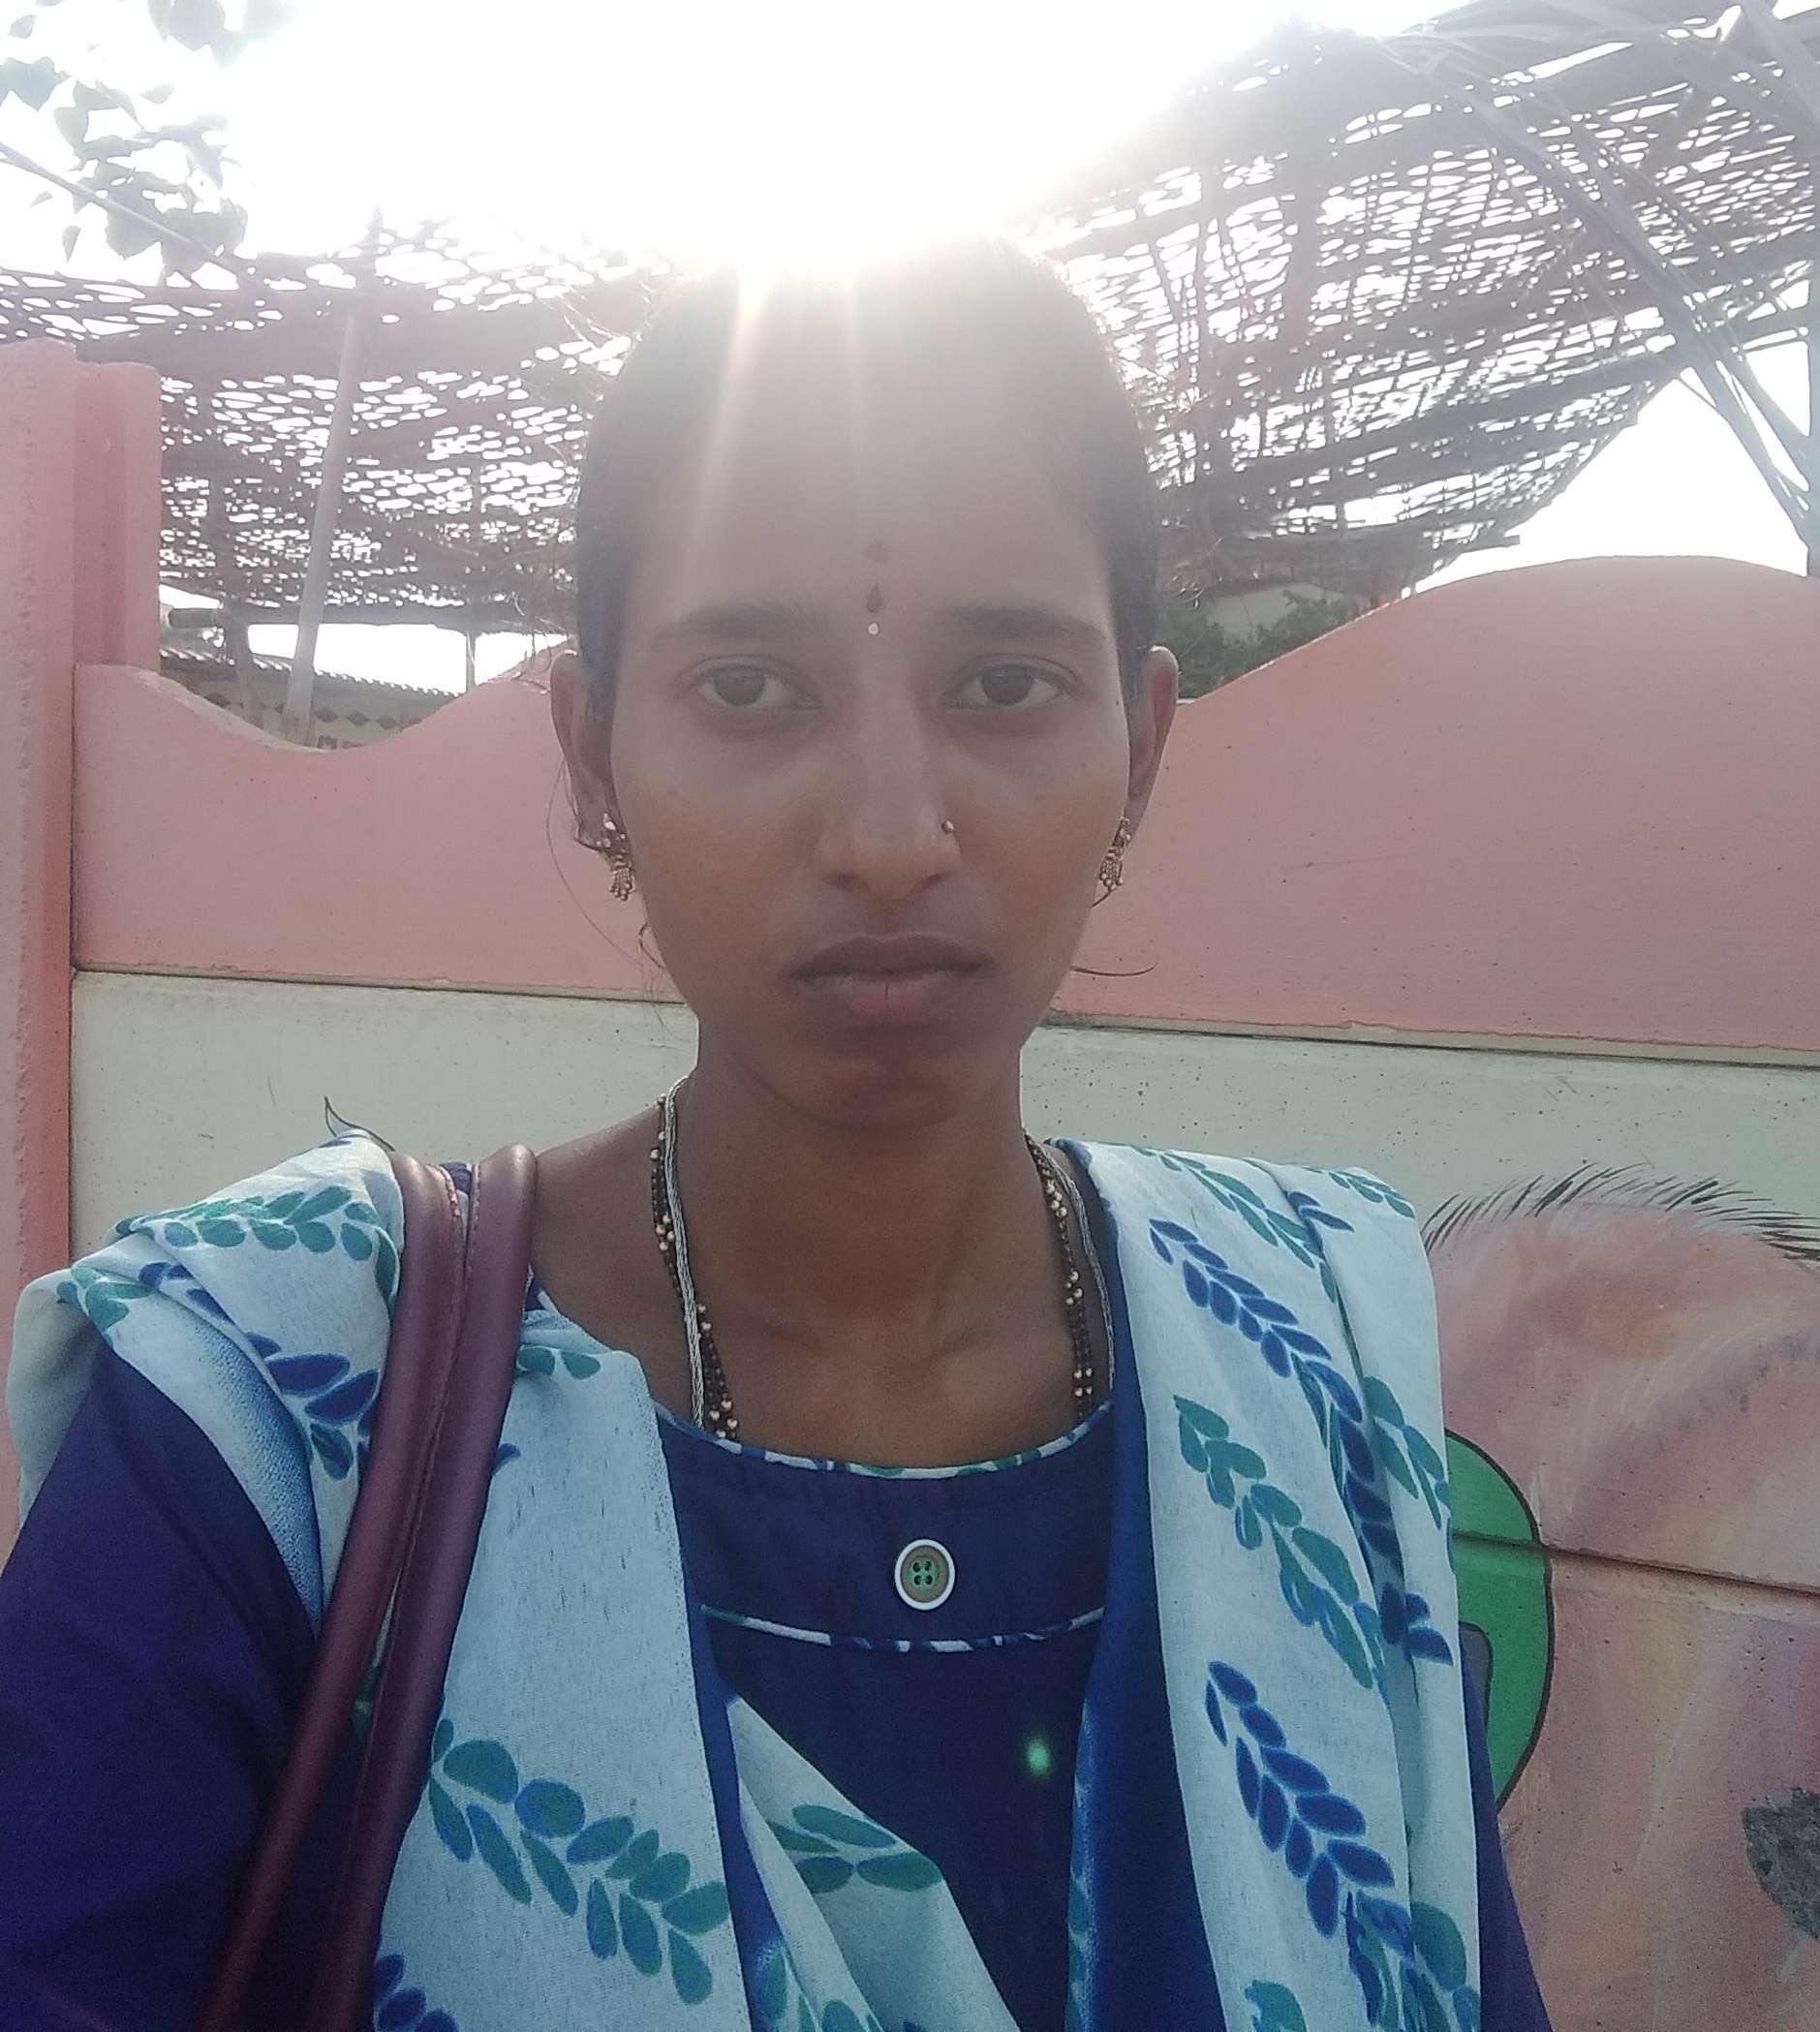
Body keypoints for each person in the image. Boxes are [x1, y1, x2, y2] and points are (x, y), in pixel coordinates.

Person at [1, 242, 1549, 2031]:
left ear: (1138, 744)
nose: (890, 835)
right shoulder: (272, 1416)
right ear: (592, 753)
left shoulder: (1314, 1359)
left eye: (1006, 685)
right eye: (749, 687)